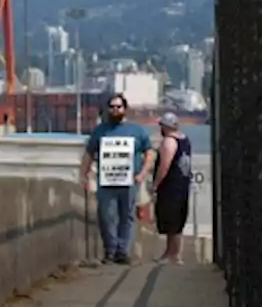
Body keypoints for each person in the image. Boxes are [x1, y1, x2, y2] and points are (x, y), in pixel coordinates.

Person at [80, 93, 155, 265]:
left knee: (127, 216)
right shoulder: (100, 130)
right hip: (106, 182)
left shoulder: (137, 130)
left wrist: (143, 173)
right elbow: (89, 153)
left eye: (118, 107)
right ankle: (110, 250)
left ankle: (123, 251)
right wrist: (83, 174)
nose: (115, 110)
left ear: (125, 109)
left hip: (129, 181)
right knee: (106, 215)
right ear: (108, 109)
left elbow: (149, 152)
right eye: (112, 107)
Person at [151, 111, 193, 264]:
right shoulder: (185, 140)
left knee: (171, 219)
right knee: (177, 220)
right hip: (182, 185)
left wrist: (156, 184)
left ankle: (174, 254)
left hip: (170, 186)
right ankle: (171, 253)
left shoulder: (168, 141)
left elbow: (164, 166)